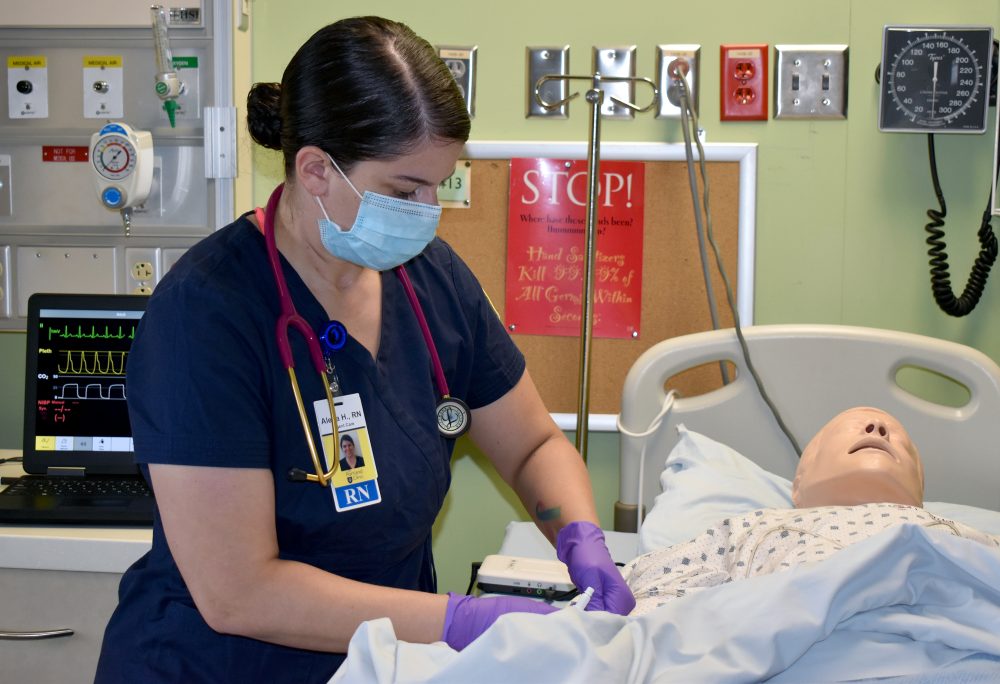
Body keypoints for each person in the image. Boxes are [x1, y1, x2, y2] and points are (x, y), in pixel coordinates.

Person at [95, 16, 632, 682]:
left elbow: (531, 446)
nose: (430, 210)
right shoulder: (205, 316)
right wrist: (458, 620)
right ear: (316, 169)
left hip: (376, 664)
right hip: (220, 666)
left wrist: (580, 540)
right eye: (405, 191)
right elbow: (240, 592)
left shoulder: (431, 278)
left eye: (441, 184)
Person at [624, 406, 999, 616]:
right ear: (798, 483)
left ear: (921, 490)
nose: (877, 428)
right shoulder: (752, 529)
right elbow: (659, 598)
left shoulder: (955, 534)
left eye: (897, 435)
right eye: (855, 425)